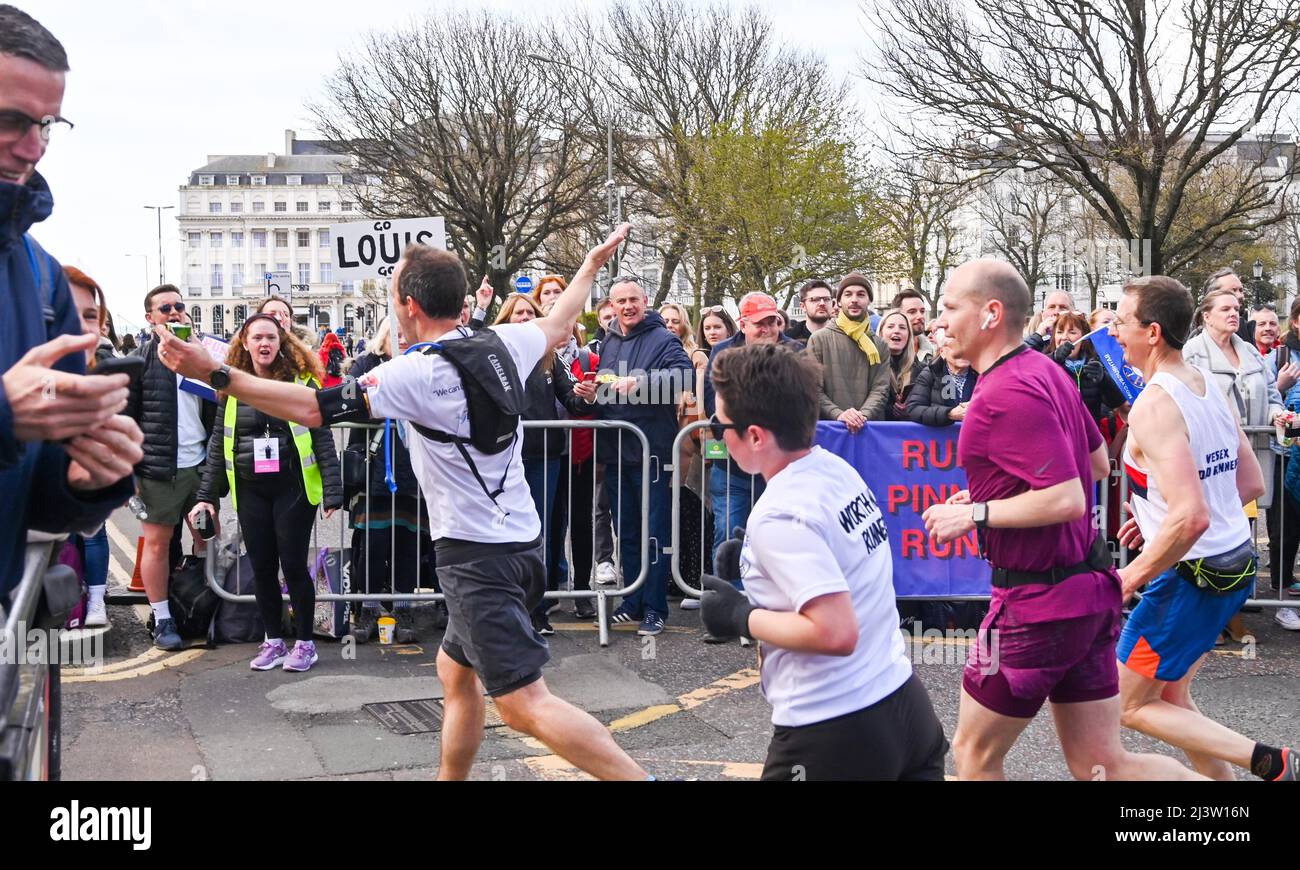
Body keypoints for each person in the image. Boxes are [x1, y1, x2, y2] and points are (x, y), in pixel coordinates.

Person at [157, 224, 651, 780]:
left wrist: (218, 373)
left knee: (522, 704)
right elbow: (562, 319)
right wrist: (589, 262)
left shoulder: (415, 373)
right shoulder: (505, 343)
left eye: (394, 292)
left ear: (409, 304)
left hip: (475, 558)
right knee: (454, 672)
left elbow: (313, 406)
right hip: (519, 543)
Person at [921, 258, 1199, 781]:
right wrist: (990, 493)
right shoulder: (1045, 368)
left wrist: (976, 515)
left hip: (1035, 608)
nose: (941, 320)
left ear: (990, 313)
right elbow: (1095, 463)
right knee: (1103, 764)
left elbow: (1068, 497)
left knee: (974, 755)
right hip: (1088, 595)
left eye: (951, 307)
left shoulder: (999, 393)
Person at [700, 342, 948, 780]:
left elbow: (835, 632)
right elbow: (840, 556)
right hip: (902, 701)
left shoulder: (779, 513)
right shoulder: (835, 469)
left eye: (721, 427)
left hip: (833, 725)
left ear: (755, 435)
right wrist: (759, 567)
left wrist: (740, 615)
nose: (717, 436)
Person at [1111, 275, 1297, 780]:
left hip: (1191, 580)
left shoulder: (1154, 404)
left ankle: (1273, 763)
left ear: (1151, 332)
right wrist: (1157, 520)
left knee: (1127, 706)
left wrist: (1127, 579)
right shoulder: (1204, 382)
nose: (1113, 330)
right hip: (1233, 564)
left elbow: (1192, 516)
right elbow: (1249, 481)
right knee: (1171, 697)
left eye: (1122, 321)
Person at [0, 5, 141, 598]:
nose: (35, 148)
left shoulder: (37, 272)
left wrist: (87, 480)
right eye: (11, 120)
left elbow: (37, 499)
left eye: (48, 124)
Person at [190, 314, 343, 672]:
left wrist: (333, 491)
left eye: (271, 338)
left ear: (281, 341)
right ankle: (273, 640)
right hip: (250, 490)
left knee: (292, 566)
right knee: (261, 568)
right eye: (257, 337)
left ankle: (305, 643)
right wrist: (205, 495)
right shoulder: (230, 386)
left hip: (293, 488)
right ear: (244, 342)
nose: (264, 344)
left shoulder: (301, 381)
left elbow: (321, 437)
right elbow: (218, 444)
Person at [588, 276, 694, 637]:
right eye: (621, 301)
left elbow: (684, 378)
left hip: (651, 452)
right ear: (612, 306)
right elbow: (605, 388)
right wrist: (590, 390)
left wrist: (642, 383)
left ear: (645, 301)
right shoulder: (608, 341)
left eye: (634, 299)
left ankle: (654, 607)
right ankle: (630, 601)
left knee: (654, 533)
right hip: (617, 453)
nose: (628, 306)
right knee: (627, 532)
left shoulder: (663, 337)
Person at [1183, 286, 1286, 643]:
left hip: (1252, 456)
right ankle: (1208, 616)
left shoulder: (1250, 353)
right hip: (1215, 460)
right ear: (1206, 315)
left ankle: (1232, 614)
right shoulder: (1192, 354)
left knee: (1242, 537)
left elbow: (1271, 394)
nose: (1234, 314)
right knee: (1211, 537)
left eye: (1237, 308)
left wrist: (1278, 414)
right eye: (1225, 308)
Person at [494, 293, 596, 636]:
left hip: (544, 457)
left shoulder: (549, 357)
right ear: (506, 320)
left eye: (530, 313)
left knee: (540, 533)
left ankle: (537, 610)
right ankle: (506, 608)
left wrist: (585, 395)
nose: (524, 317)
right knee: (502, 534)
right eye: (518, 313)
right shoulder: (493, 355)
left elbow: (571, 400)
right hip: (502, 459)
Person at [127, 285, 217, 649]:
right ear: (150, 318)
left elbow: (220, 408)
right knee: (158, 545)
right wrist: (129, 472)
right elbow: (125, 420)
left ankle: (203, 608)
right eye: (165, 308)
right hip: (158, 471)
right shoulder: (139, 361)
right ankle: (163, 618)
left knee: (206, 539)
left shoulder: (203, 357)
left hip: (199, 468)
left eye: (180, 306)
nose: (175, 312)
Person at [346, 317, 443, 644]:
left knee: (406, 541)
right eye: (395, 333)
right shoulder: (366, 365)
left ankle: (403, 607)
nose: (400, 338)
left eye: (405, 333)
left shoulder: (423, 363)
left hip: (412, 467)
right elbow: (350, 405)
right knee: (373, 545)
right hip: (375, 467)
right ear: (383, 337)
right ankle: (369, 608)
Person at [702, 294, 804, 582]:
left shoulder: (795, 350)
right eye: (759, 323)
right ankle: (731, 607)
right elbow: (713, 402)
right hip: (733, 466)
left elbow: (802, 401)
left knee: (780, 537)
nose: (767, 329)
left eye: (772, 322)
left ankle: (774, 609)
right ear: (743, 324)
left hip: (779, 467)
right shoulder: (722, 351)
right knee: (728, 534)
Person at [65, 266, 118, 627]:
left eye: (90, 316)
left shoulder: (108, 363)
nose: (82, 324)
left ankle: (96, 601)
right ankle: (67, 604)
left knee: (92, 533)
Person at [806, 272, 891, 431]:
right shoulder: (819, 340)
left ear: (869, 300)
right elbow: (812, 389)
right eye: (848, 294)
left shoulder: (880, 345)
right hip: (831, 430)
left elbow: (881, 388)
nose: (854, 300)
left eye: (861, 294)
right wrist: (839, 414)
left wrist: (862, 416)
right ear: (838, 301)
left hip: (868, 429)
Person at [907, 338, 976, 428]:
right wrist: (949, 413)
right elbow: (913, 409)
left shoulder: (982, 375)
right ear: (942, 352)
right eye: (955, 347)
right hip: (939, 440)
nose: (962, 352)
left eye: (967, 347)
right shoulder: (930, 373)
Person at [879, 309, 922, 421]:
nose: (896, 331)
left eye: (902, 327)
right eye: (891, 326)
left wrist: (912, 411)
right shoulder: (871, 367)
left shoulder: (922, 370)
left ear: (909, 335)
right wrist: (890, 411)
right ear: (881, 333)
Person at [894, 288, 937, 363]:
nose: (920, 316)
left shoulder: (933, 351)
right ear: (897, 315)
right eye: (912, 312)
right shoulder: (885, 353)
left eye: (922, 311)